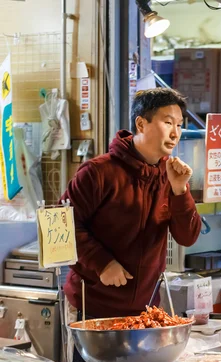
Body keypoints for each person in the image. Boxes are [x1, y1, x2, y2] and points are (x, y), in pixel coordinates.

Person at [60, 88, 201, 322]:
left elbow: (188, 237)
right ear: (141, 123)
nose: (176, 133)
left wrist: (180, 190)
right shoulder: (98, 172)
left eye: (179, 125)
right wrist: (102, 263)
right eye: (168, 123)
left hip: (145, 311)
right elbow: (63, 225)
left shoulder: (171, 174)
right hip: (91, 307)